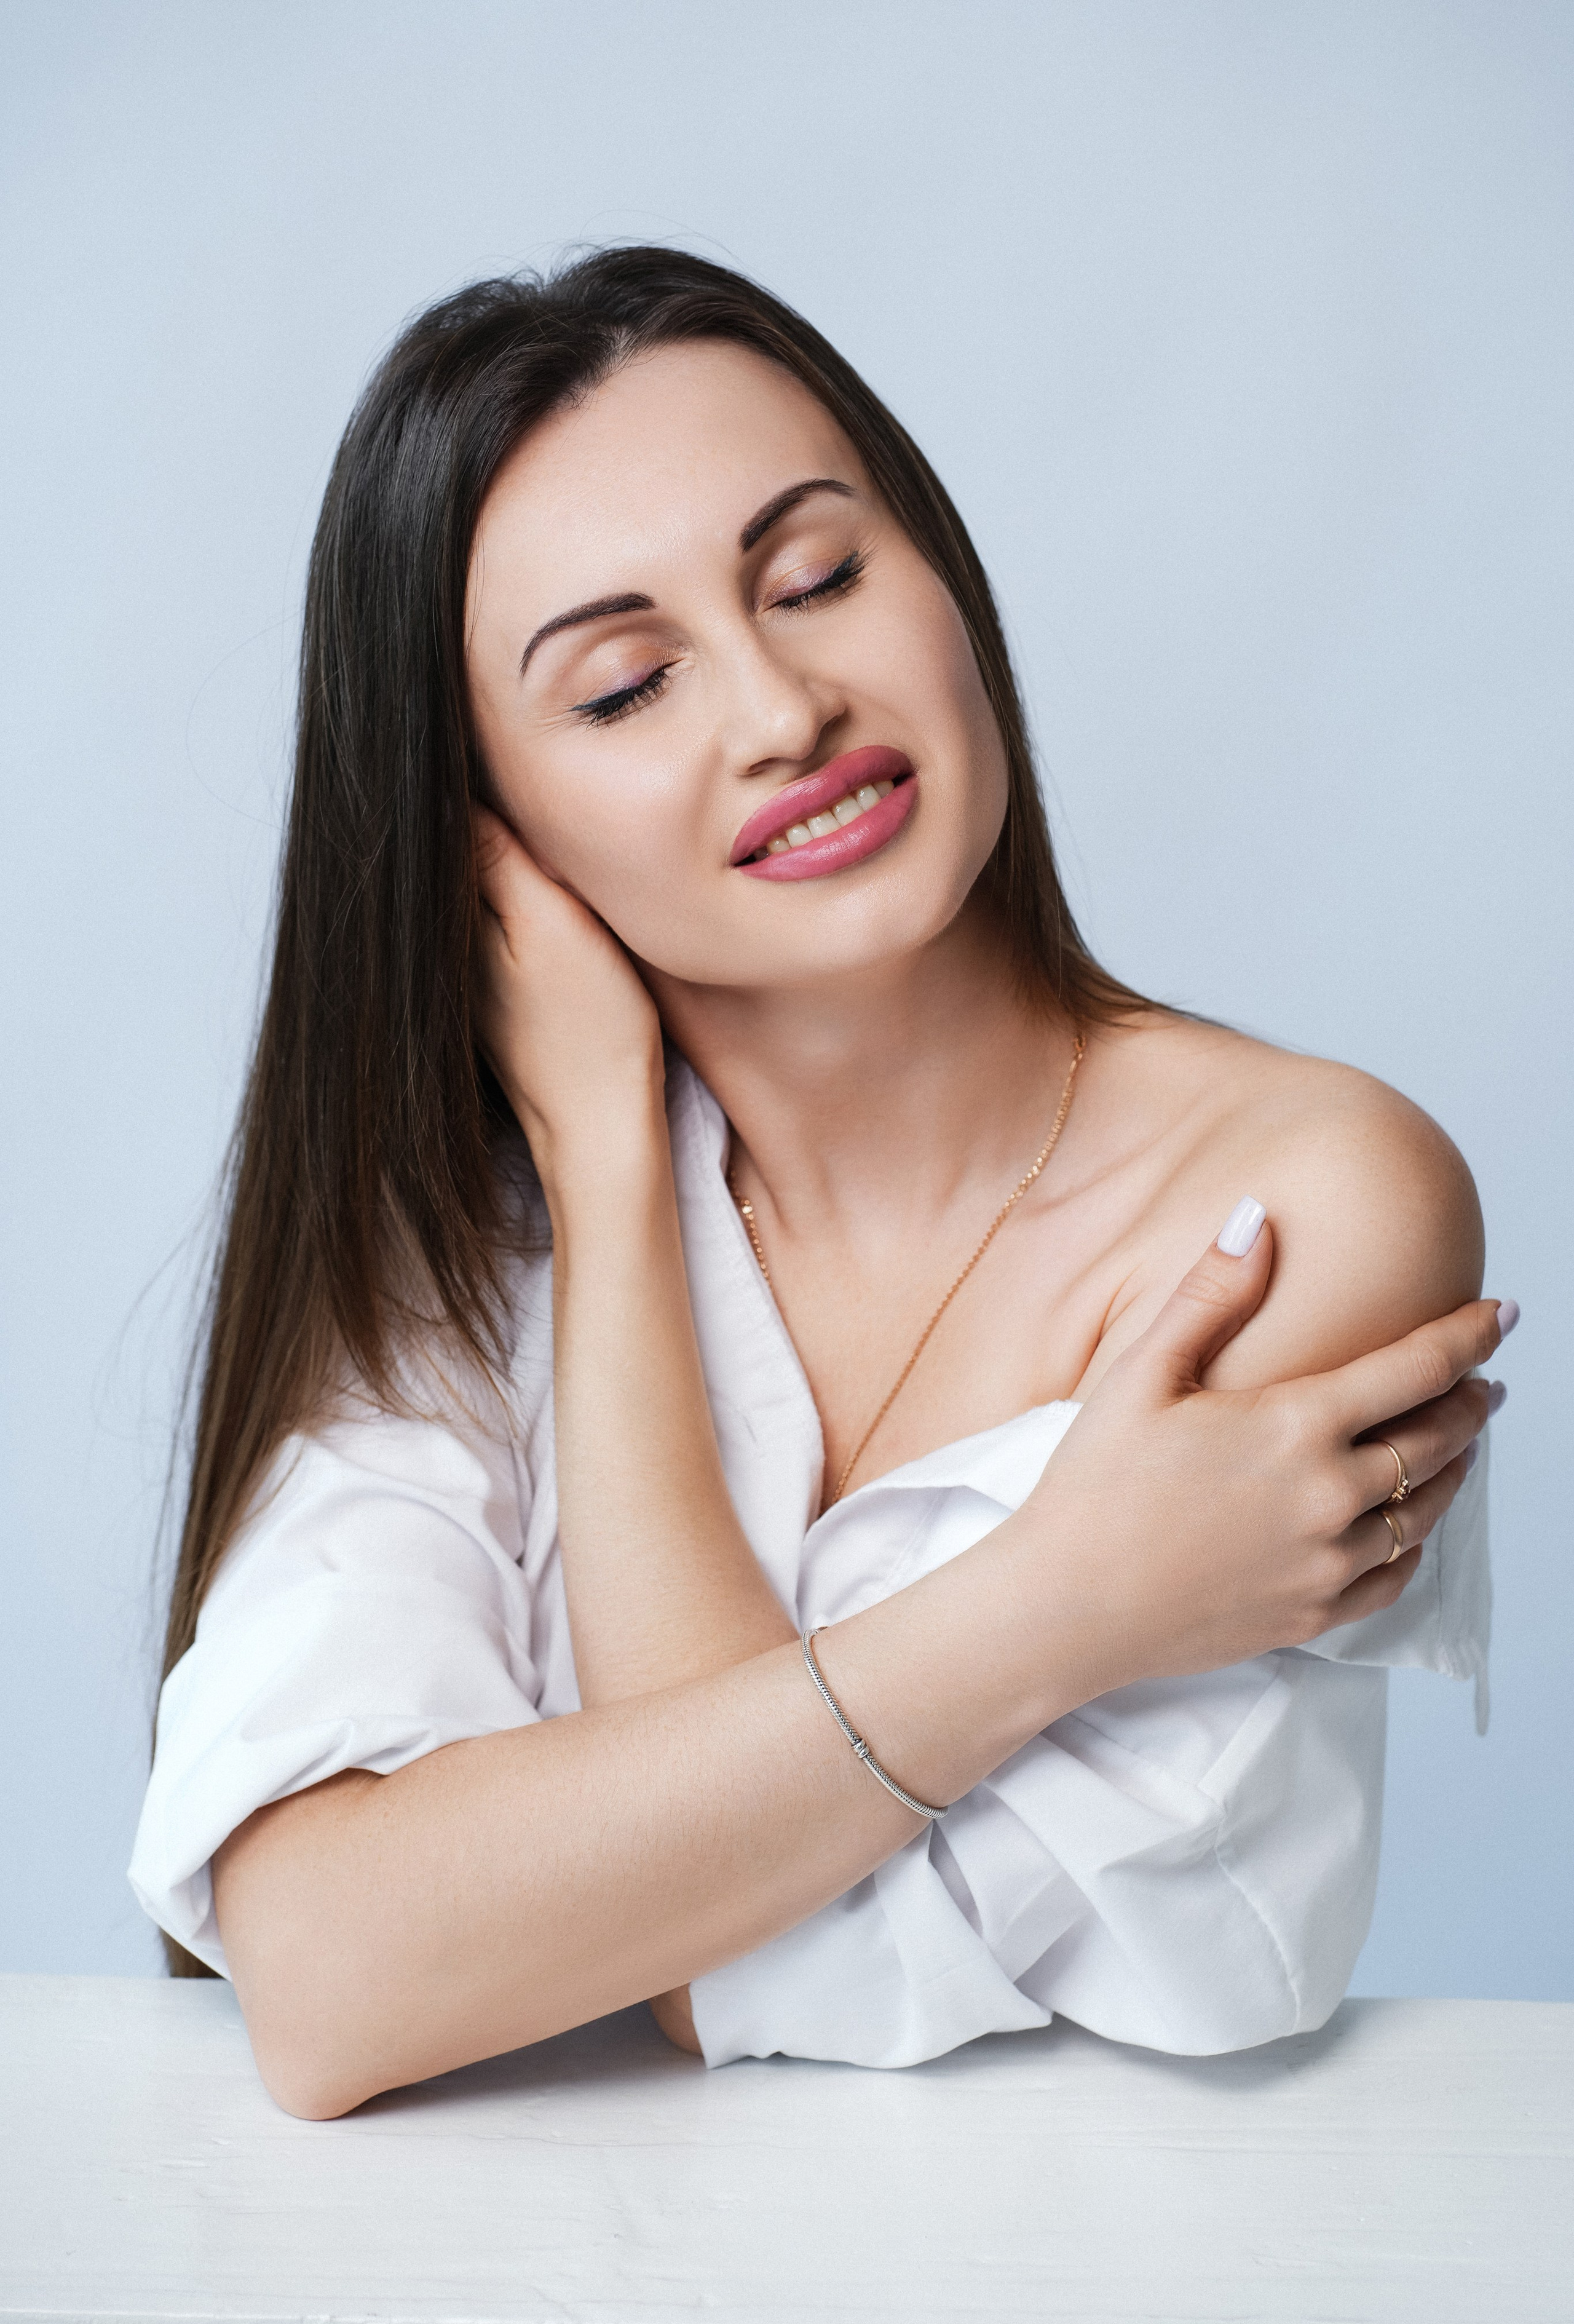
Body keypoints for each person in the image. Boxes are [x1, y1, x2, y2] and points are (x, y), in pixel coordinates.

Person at [130, 247, 1510, 2122]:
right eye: (625, 688)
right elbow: (331, 1978)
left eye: (820, 577)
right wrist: (1065, 1601)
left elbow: (741, 1965)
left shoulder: (1302, 1213)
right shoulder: (476, 1256)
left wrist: (579, 1872)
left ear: (944, 578)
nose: (784, 710)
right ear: (491, 848)